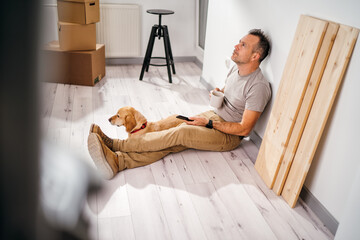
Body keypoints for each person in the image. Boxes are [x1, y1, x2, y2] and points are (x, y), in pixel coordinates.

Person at [87, 29, 272, 180]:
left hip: (229, 137)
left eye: (243, 45)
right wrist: (220, 93)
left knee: (181, 133)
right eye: (239, 42)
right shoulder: (235, 69)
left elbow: (244, 130)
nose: (236, 46)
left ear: (255, 56)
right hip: (215, 116)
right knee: (176, 122)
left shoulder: (258, 87)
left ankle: (117, 145)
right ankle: (118, 163)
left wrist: (208, 123)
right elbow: (231, 93)